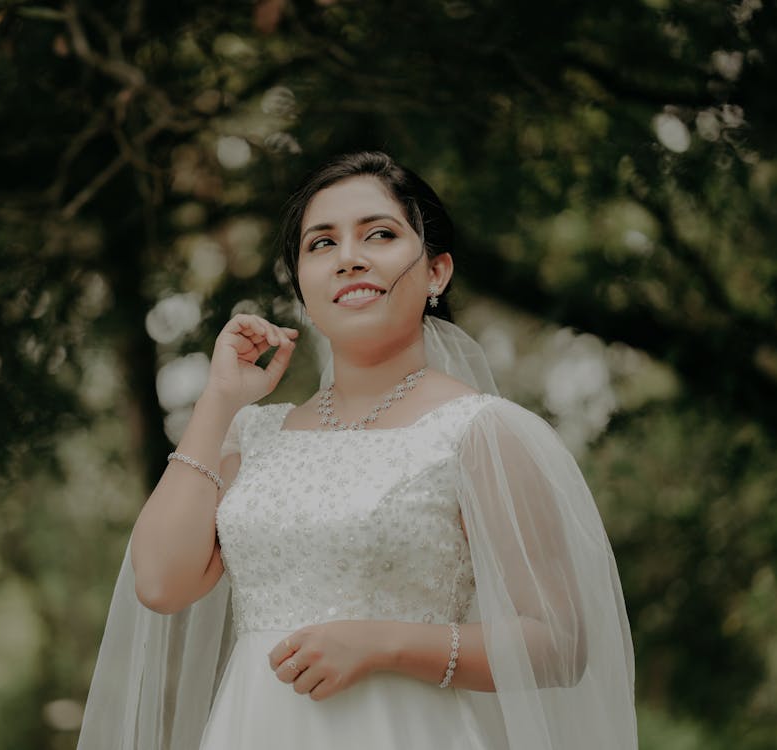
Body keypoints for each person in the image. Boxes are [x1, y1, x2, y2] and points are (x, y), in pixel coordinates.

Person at [77, 151, 638, 749]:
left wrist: (382, 643)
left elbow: (560, 643)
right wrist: (218, 402)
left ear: (436, 273)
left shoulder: (483, 432)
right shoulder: (256, 436)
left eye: (380, 234)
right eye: (321, 244)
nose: (349, 257)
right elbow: (161, 583)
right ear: (302, 286)